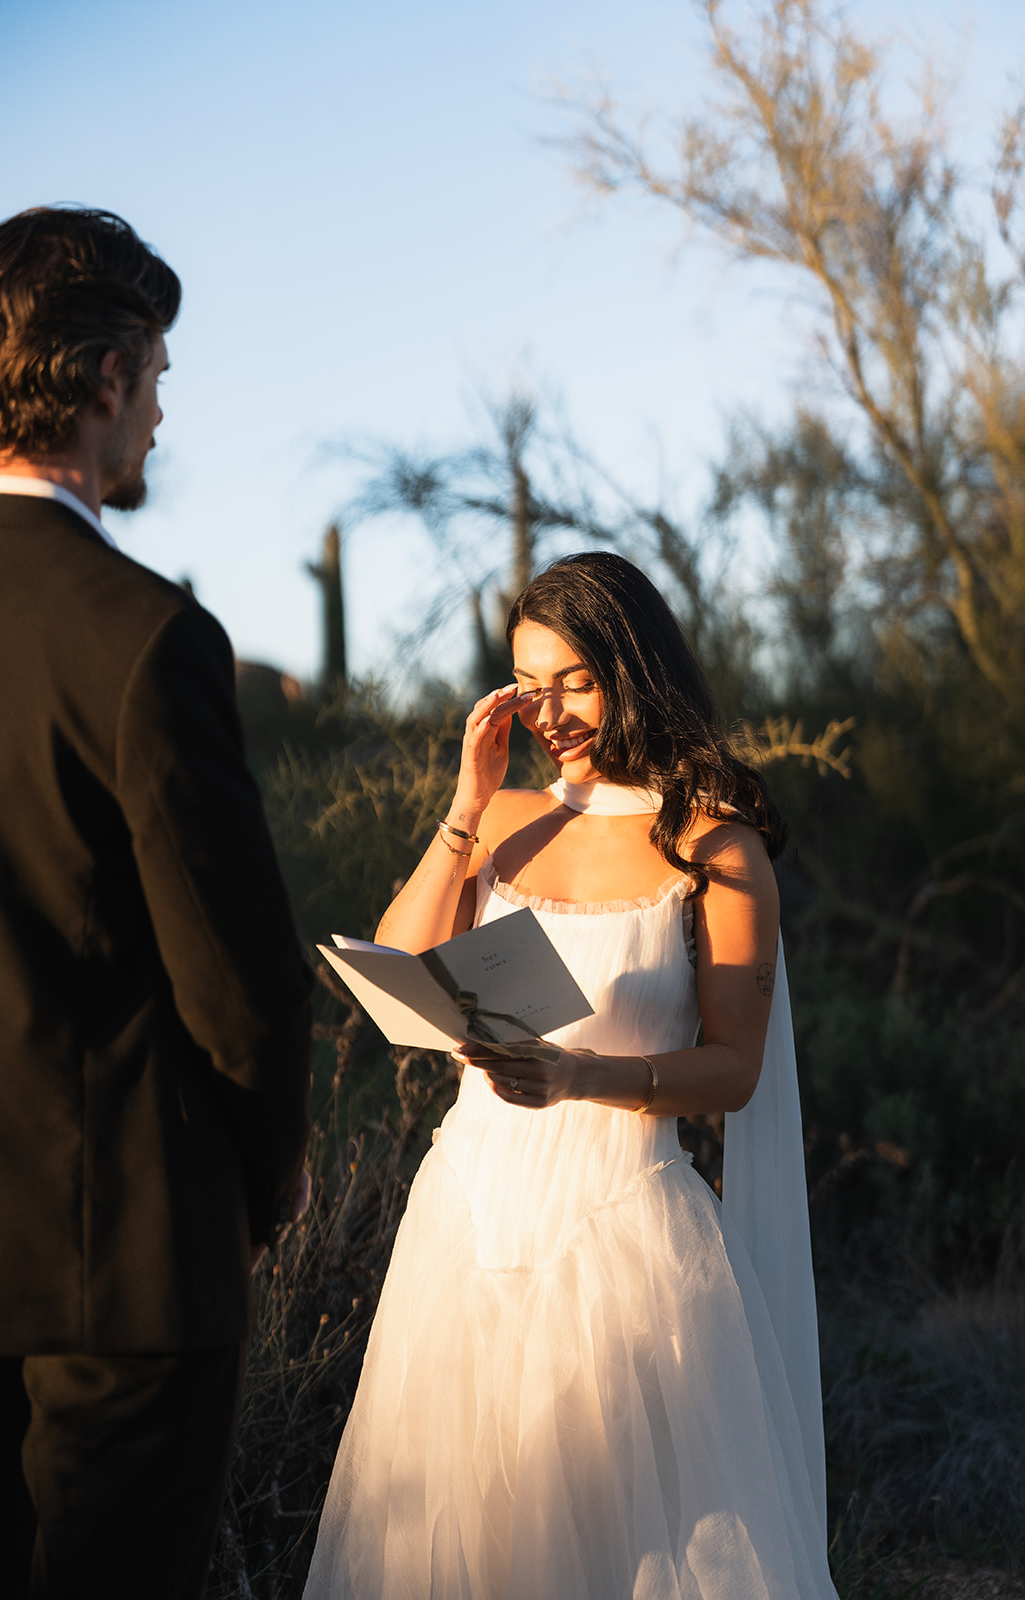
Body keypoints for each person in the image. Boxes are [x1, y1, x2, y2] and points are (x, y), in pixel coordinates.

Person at [306, 551, 838, 1599]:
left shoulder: (714, 846)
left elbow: (731, 1070)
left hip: (619, 1234)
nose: (547, 710)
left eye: (574, 681)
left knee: (622, 1541)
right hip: (466, 1219)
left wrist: (577, 1075)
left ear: (630, 667)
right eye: (525, 682)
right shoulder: (504, 819)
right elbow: (399, 957)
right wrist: (464, 802)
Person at [0, 207, 312, 1600]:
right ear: (102, 380)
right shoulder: (145, 635)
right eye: (157, 376)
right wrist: (265, 1168)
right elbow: (235, 975)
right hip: (122, 1266)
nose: (160, 413)